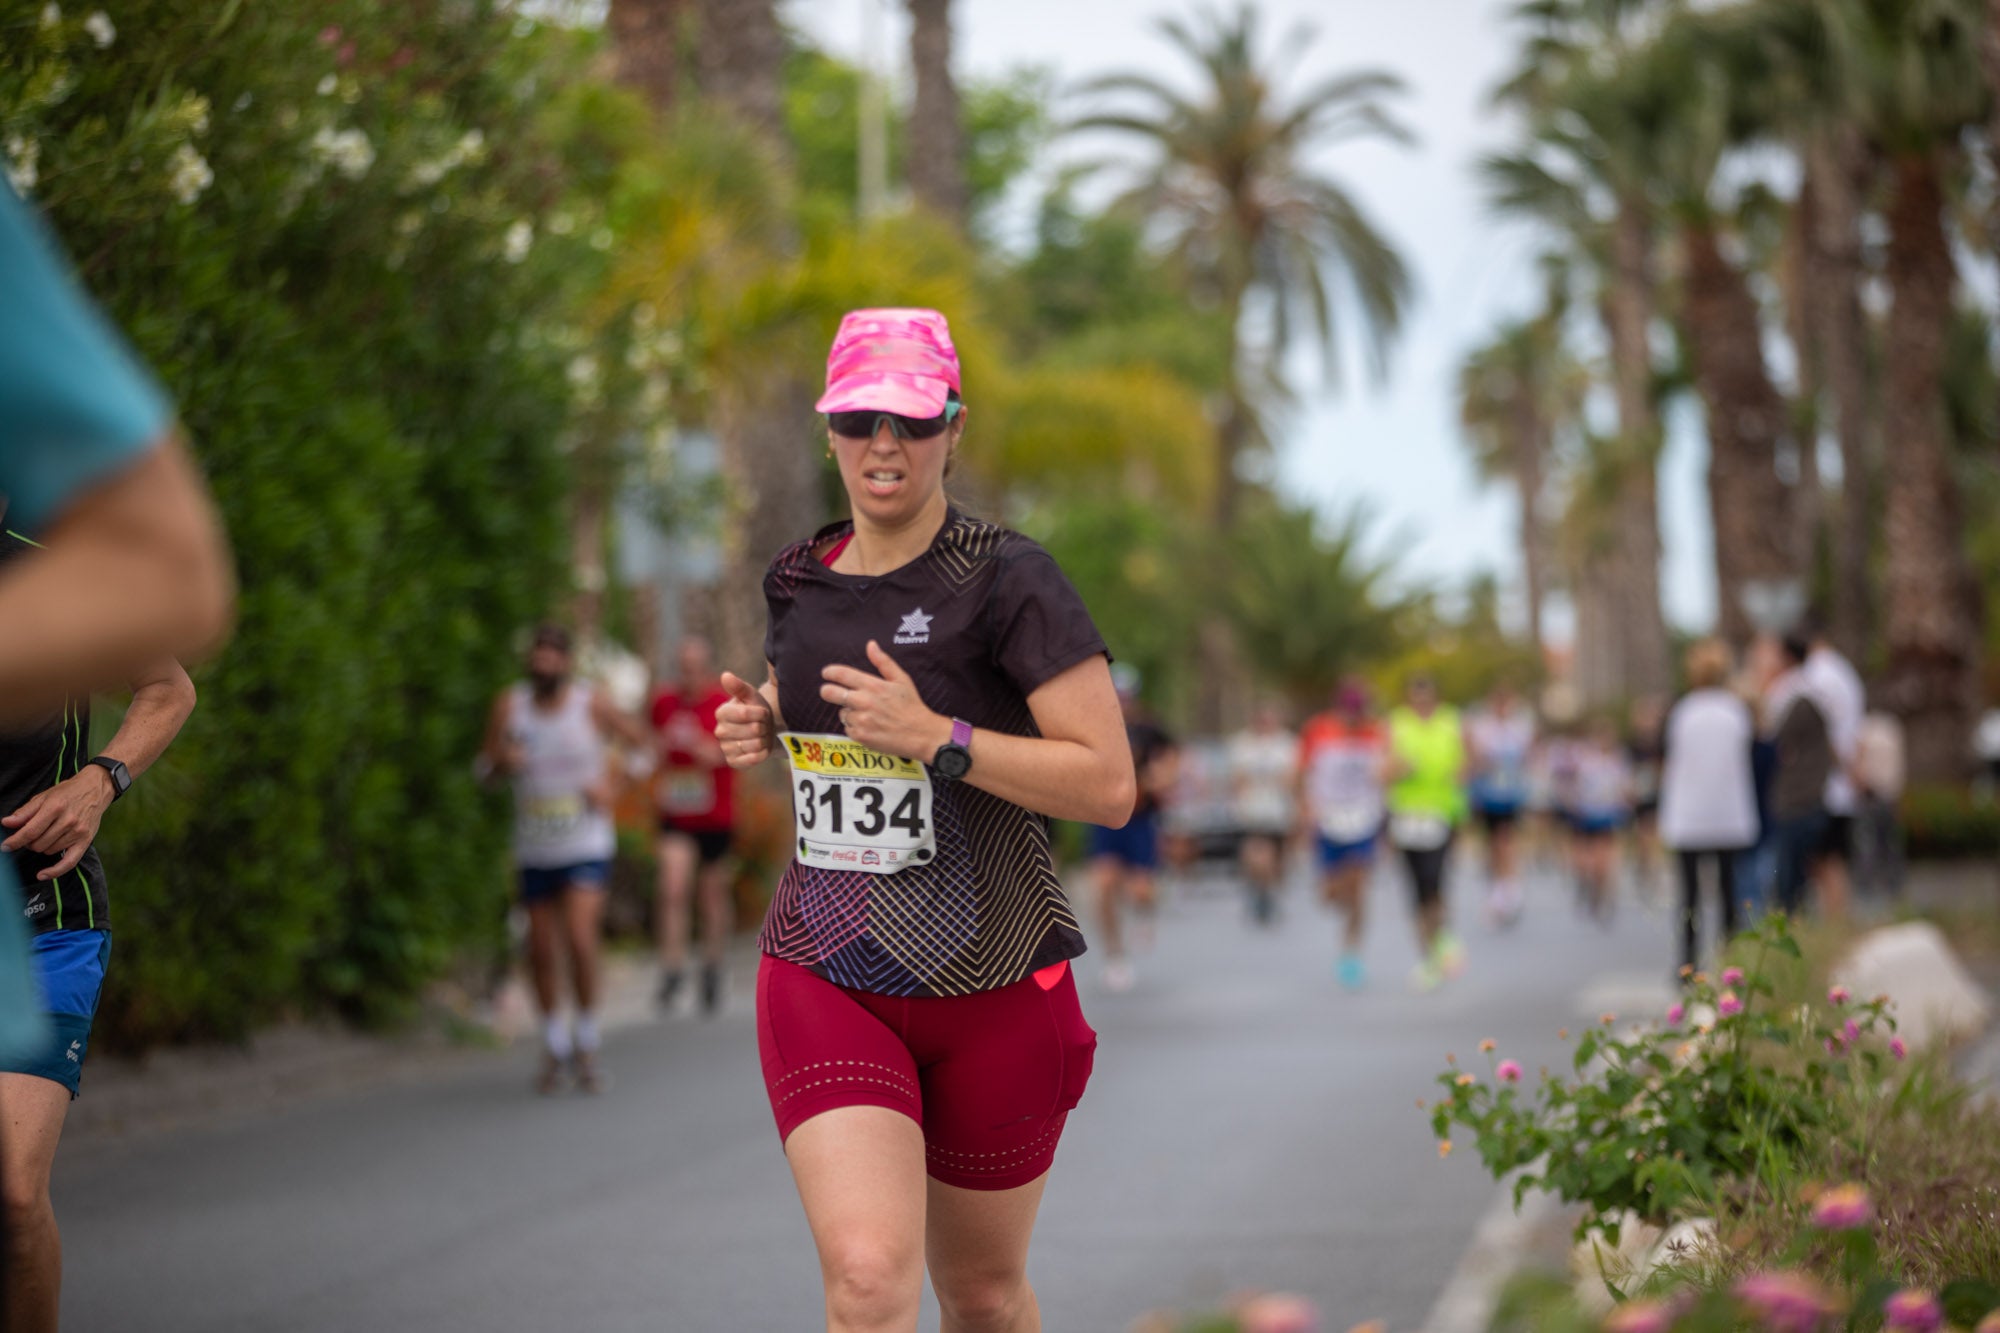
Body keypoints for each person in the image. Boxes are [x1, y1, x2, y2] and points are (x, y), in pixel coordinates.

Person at [712, 307, 1132, 1333]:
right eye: (858, 419)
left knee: (982, 1296)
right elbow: (807, 694)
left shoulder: (1008, 577)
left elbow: (1108, 784)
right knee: (865, 1280)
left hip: (993, 975)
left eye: (908, 418)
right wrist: (761, 719)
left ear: (954, 426)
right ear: (828, 431)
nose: (882, 444)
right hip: (828, 962)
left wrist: (939, 734)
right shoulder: (797, 578)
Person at [0, 185, 234, 1333]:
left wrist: (101, 781)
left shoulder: (48, 562)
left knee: (8, 1194)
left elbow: (169, 678)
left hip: (37, 910)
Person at [479, 624, 648, 1094]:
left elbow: (643, 750)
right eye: (539, 657)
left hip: (585, 844)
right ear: (530, 663)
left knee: (578, 936)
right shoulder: (510, 707)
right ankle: (555, 1042)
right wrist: (501, 765)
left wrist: (612, 789)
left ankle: (588, 1038)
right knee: (539, 949)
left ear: (567, 663)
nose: (545, 664)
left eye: (554, 657)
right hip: (534, 846)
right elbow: (484, 771)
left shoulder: (589, 703)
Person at [1657, 639, 1757, 975]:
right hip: (1728, 813)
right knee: (1730, 893)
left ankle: (1688, 962)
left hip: (1689, 815)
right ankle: (1731, 961)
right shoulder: (1735, 712)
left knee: (1690, 896)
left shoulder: (1683, 712)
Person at [650, 635, 735, 1015]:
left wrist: (710, 751)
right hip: (677, 813)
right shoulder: (663, 703)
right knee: (673, 886)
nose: (688, 676)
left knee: (711, 894)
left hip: (715, 814)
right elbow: (648, 741)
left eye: (695, 668)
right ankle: (672, 968)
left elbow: (739, 752)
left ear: (707, 669)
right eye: (682, 668)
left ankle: (713, 965)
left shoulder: (722, 704)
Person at [1087, 664, 1177, 992]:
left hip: (1140, 819)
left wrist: (1160, 779)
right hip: (1105, 819)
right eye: (1117, 696)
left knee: (1141, 891)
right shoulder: (1095, 727)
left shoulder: (1148, 729)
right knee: (1103, 884)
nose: (1122, 702)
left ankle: (1144, 912)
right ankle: (1115, 956)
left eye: (1127, 697)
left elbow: (1172, 762)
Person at [1297, 680, 1387, 989]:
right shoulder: (1317, 731)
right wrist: (1305, 809)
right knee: (1331, 894)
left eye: (1358, 713)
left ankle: (1351, 953)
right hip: (1328, 821)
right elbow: (1302, 773)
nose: (1353, 719)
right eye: (1348, 713)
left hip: (1364, 820)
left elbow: (1387, 770)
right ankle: (1342, 899)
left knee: (1359, 889)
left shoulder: (1376, 732)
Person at [1384, 675, 1467, 992]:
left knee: (1436, 881)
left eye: (1426, 700)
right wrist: (1396, 769)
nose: (1421, 706)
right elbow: (1381, 771)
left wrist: (1461, 774)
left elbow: (1469, 760)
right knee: (1416, 892)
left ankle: (1443, 938)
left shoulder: (1451, 722)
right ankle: (1429, 958)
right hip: (1406, 816)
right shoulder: (1396, 725)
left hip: (1441, 814)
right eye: (1415, 700)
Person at [1764, 634, 1835, 916]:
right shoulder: (1808, 693)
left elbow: (1777, 743)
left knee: (1790, 881)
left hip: (1799, 798)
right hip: (1806, 796)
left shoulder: (1797, 698)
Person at [1804, 624, 1865, 921]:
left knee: (1826, 861)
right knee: (1834, 859)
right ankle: (1836, 919)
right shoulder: (1844, 672)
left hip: (1829, 785)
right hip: (1840, 783)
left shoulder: (1819, 676)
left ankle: (1836, 922)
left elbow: (1826, 733)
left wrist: (1846, 767)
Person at [1464, 679, 1536, 928]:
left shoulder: (1519, 728)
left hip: (1511, 795)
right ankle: (1499, 887)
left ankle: (1510, 888)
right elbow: (1474, 758)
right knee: (1493, 843)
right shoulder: (1483, 728)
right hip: (1488, 795)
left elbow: (1528, 758)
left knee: (1506, 840)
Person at [1227, 699, 1297, 926]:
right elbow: (1236, 778)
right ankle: (1257, 890)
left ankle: (1268, 891)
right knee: (1256, 856)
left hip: (1279, 812)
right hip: (1252, 812)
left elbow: (1293, 778)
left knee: (1275, 861)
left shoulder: (1287, 743)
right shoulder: (1243, 743)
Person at [1568, 717, 1633, 923]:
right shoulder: (1586, 762)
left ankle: (1604, 891)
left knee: (1604, 857)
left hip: (1608, 815)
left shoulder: (1618, 761)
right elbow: (1575, 787)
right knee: (1588, 858)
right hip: (1588, 815)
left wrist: (1626, 803)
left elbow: (1626, 789)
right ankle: (1589, 885)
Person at [1851, 709, 1906, 899]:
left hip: (1870, 795)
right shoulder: (1892, 730)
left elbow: (1858, 766)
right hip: (1889, 795)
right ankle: (1893, 890)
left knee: (1867, 845)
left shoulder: (1865, 730)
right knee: (1889, 846)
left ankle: (1866, 891)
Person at [1625, 696, 1668, 903]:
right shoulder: (1632, 743)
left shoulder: (1661, 741)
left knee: (1655, 832)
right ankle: (1644, 865)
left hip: (1657, 790)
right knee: (1643, 832)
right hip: (1641, 792)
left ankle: (1655, 869)